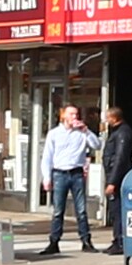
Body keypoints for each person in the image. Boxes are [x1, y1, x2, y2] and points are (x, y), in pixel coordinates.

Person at [40, 105, 101, 255]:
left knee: (81, 210)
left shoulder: (82, 133)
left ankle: (86, 240)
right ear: (63, 116)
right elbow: (47, 156)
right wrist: (46, 177)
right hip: (59, 173)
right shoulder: (54, 134)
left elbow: (97, 145)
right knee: (58, 210)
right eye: (72, 114)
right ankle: (54, 242)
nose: (75, 117)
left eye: (77, 114)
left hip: (77, 173)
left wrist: (86, 130)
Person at [99, 107, 132, 257]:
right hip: (113, 175)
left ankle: (120, 241)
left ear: (114, 118)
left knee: (118, 210)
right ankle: (117, 240)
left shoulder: (122, 133)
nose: (106, 121)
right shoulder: (117, 132)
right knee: (114, 211)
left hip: (118, 177)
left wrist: (112, 181)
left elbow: (120, 158)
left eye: (108, 118)